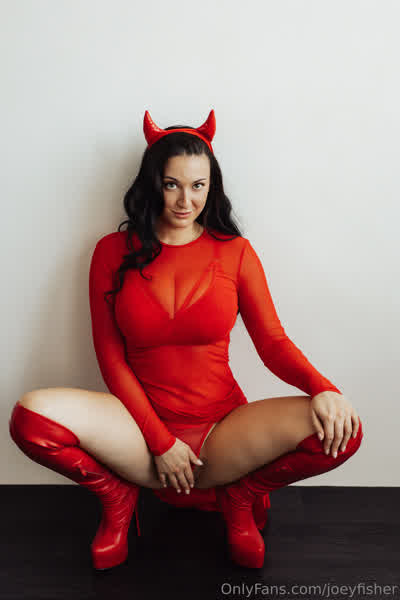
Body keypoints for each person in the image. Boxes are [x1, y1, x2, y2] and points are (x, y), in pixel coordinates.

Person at [9, 109, 364, 571]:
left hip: (222, 429)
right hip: (136, 431)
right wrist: (160, 441)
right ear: (152, 183)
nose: (184, 200)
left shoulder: (236, 252)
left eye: (198, 185)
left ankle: (240, 496)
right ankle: (117, 496)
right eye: (171, 184)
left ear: (211, 186)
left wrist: (323, 388)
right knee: (29, 418)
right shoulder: (111, 252)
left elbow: (272, 342)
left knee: (343, 429)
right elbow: (111, 359)